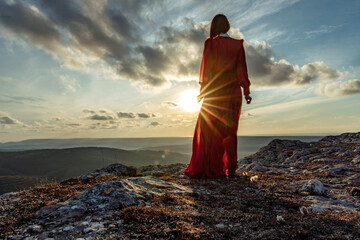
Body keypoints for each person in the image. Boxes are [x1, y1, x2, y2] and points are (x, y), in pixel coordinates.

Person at [183, 13, 252, 179]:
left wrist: (203, 92)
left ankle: (212, 168)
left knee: (210, 131)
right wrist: (246, 91)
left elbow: (207, 71)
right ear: (227, 26)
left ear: (214, 27)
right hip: (232, 93)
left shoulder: (210, 44)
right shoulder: (237, 45)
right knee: (229, 131)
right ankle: (230, 168)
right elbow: (242, 71)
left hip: (216, 94)